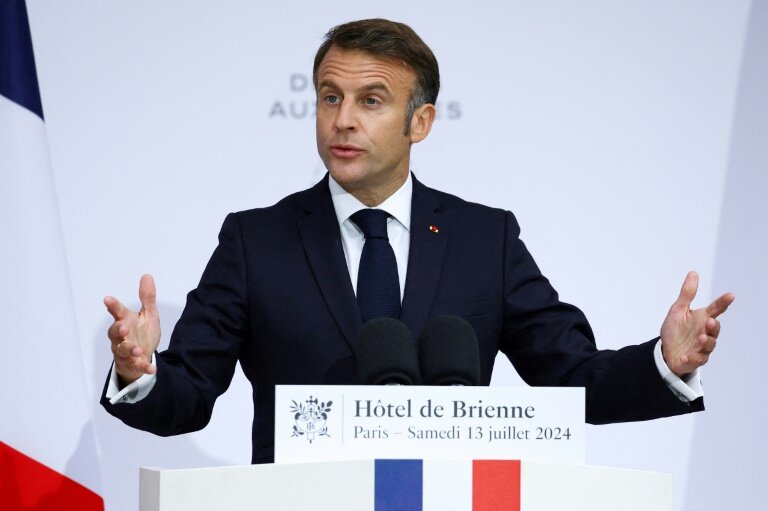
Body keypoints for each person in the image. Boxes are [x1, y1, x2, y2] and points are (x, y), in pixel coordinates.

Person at [101, 19, 734, 464]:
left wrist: (665, 363)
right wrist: (141, 371)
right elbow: (189, 397)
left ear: (420, 122)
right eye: (330, 97)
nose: (343, 119)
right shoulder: (256, 240)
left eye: (370, 100)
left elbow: (569, 378)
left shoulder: (486, 239)